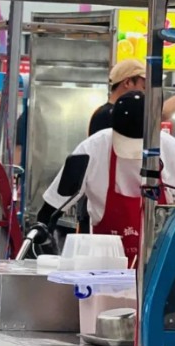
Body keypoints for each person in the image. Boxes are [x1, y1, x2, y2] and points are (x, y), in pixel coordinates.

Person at [41, 92, 175, 266]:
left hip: (162, 269)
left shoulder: (170, 150)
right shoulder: (91, 150)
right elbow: (48, 212)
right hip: (104, 271)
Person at [88, 59, 146, 136]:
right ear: (127, 83)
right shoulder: (110, 115)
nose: (145, 93)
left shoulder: (103, 113)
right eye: (144, 87)